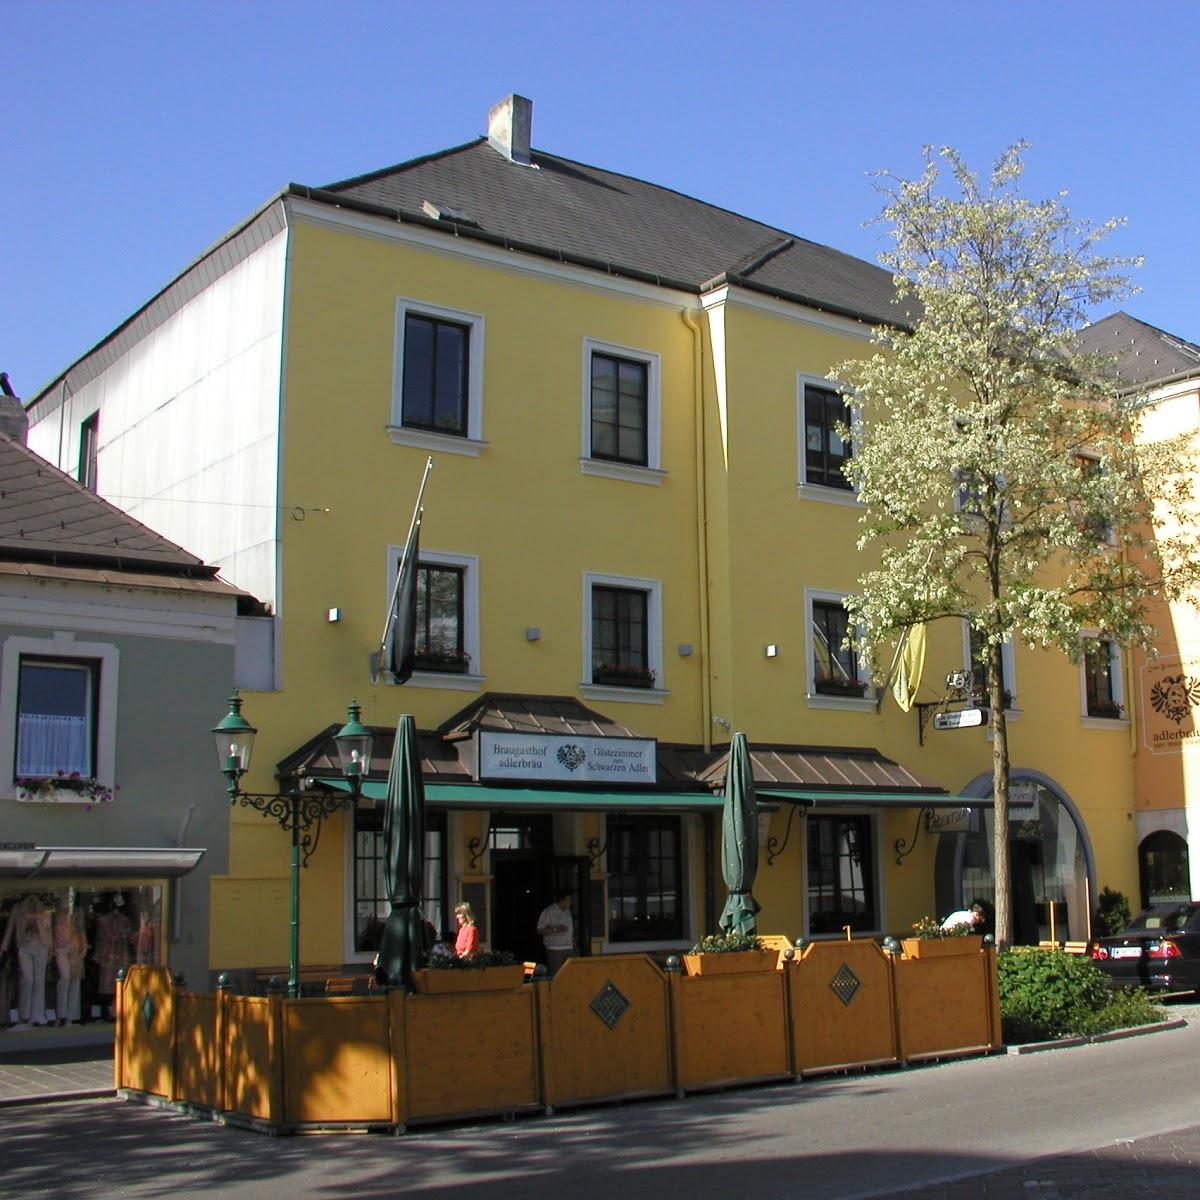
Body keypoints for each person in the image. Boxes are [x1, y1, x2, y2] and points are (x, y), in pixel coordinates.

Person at [536, 889, 575, 975]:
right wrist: (557, 929)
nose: (570, 903)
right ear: (561, 900)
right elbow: (540, 930)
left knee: (569, 975)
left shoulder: (567, 911)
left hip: (569, 948)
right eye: (568, 900)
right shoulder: (549, 911)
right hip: (555, 949)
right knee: (556, 975)